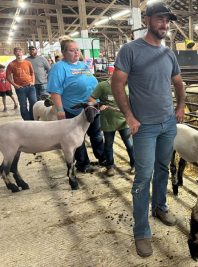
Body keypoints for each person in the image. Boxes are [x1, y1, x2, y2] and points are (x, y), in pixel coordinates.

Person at [111, 1, 185, 258]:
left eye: (167, 20)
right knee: (143, 177)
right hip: (144, 126)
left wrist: (181, 106)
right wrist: (129, 116)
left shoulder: (169, 53)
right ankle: (141, 231)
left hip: (167, 123)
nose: (164, 24)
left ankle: (160, 207)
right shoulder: (130, 50)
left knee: (163, 167)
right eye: (160, 19)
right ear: (148, 19)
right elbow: (117, 84)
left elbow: (178, 82)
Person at [47, 36, 105, 173]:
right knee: (77, 138)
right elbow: (55, 91)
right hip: (74, 110)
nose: (76, 53)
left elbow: (91, 82)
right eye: (72, 50)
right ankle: (83, 164)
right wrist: (60, 110)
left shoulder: (82, 65)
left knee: (96, 134)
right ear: (64, 52)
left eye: (77, 50)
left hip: (92, 106)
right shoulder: (58, 68)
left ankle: (102, 158)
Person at [89, 79, 135, 177]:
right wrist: (99, 105)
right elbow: (91, 99)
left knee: (130, 144)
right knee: (108, 145)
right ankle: (110, 166)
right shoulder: (102, 86)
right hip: (108, 121)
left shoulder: (127, 84)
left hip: (124, 120)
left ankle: (135, 164)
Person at [6, 47, 37, 120]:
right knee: (23, 106)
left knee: (33, 103)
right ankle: (27, 121)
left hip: (30, 87)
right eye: (16, 51)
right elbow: (8, 76)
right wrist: (15, 85)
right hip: (20, 89)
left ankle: (32, 119)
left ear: (22, 53)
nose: (19, 52)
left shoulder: (28, 63)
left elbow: (32, 73)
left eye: (20, 51)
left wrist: (33, 82)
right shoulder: (11, 64)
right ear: (14, 53)